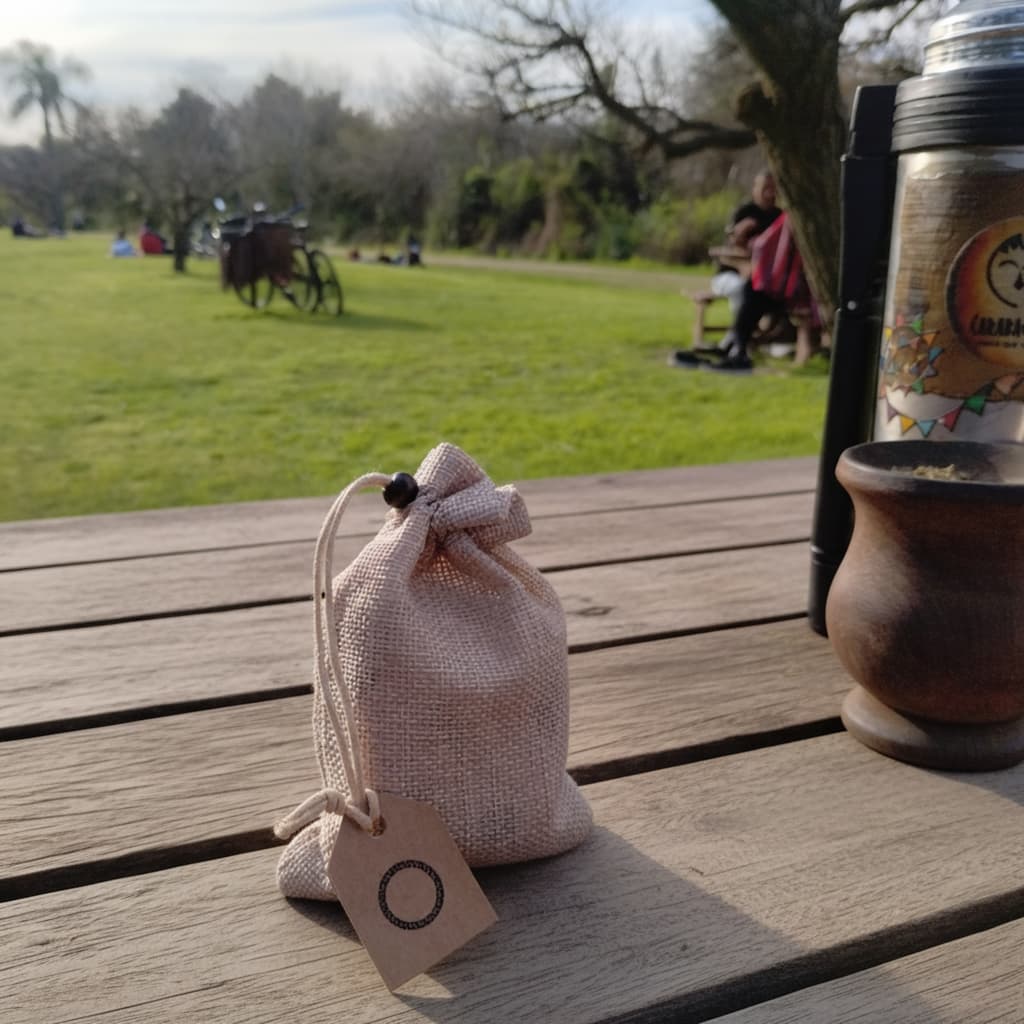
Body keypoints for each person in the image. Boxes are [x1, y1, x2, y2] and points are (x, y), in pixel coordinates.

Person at [709, 171, 781, 319]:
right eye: (765, 188)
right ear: (755, 189)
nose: (769, 194)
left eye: (773, 189)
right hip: (730, 275)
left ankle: (768, 331)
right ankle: (737, 333)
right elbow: (729, 249)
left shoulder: (779, 216)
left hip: (765, 276)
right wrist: (739, 234)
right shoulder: (744, 212)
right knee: (742, 288)